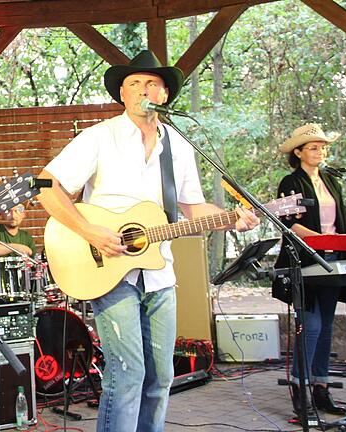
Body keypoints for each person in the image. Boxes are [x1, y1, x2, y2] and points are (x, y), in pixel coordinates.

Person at [37, 50, 259, 432]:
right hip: (109, 272)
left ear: (165, 95)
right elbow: (44, 185)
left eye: (152, 83)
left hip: (159, 274)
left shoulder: (179, 145)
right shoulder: (99, 137)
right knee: (127, 375)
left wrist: (231, 220)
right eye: (135, 83)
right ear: (122, 94)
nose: (144, 89)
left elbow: (191, 208)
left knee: (161, 378)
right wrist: (89, 230)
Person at [272, 123, 346, 416]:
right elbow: (289, 223)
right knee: (311, 326)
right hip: (305, 260)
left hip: (335, 261)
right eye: (313, 147)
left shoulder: (332, 181)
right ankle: (300, 389)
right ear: (298, 152)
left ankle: (322, 389)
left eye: (323, 146)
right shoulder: (290, 183)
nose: (320, 151)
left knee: (327, 326)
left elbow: (342, 220)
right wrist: (318, 240)